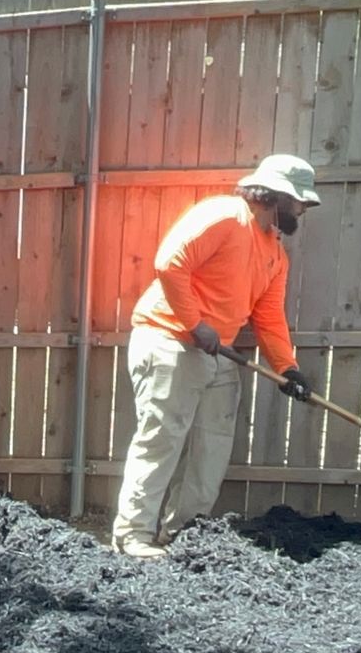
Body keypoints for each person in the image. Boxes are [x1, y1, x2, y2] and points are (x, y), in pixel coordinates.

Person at [111, 154, 321, 559]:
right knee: (162, 439)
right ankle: (132, 535)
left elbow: (270, 318)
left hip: (218, 353)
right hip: (170, 339)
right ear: (276, 195)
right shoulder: (225, 215)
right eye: (299, 202)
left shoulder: (275, 255)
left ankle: (183, 535)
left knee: (213, 446)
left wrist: (287, 368)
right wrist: (194, 324)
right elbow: (170, 264)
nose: (302, 210)